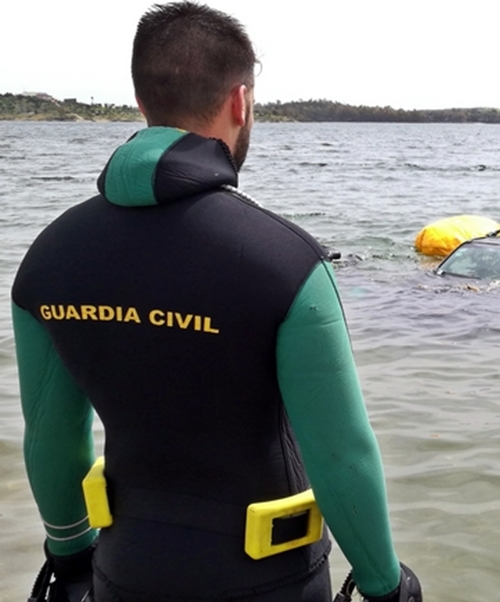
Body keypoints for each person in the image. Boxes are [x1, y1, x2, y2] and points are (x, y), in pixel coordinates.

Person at [11, 3, 420, 601]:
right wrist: (387, 584)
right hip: (271, 579)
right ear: (241, 102)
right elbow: (342, 454)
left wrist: (70, 557)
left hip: (124, 569)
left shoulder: (48, 256)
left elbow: (51, 436)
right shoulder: (285, 261)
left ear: (141, 99)